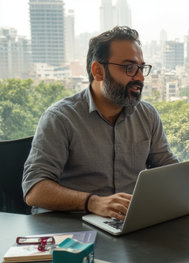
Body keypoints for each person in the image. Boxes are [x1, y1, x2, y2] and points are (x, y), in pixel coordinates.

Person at [23, 26, 178, 220]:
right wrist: (93, 202)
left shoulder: (147, 114)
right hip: (72, 227)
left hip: (126, 223)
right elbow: (34, 190)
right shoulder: (60, 118)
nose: (139, 77)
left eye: (141, 68)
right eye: (129, 68)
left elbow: (168, 168)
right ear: (98, 71)